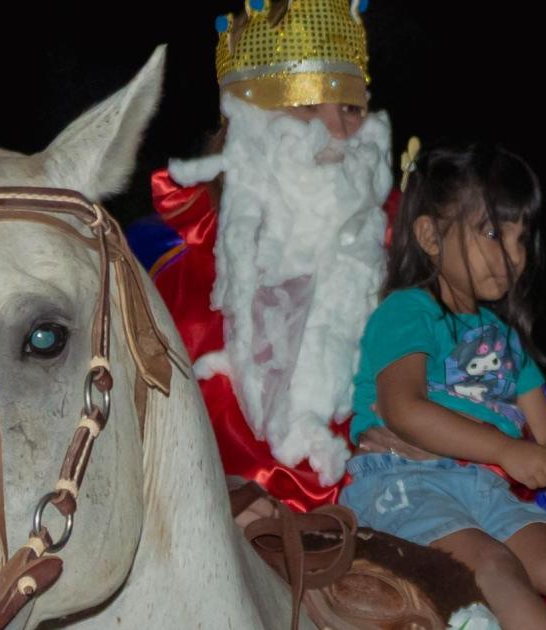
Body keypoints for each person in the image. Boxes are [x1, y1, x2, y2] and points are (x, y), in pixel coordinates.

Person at [338, 142, 546, 629]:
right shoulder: (408, 312)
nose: (513, 255)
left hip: (486, 489)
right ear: (431, 235)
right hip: (404, 482)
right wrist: (503, 448)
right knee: (493, 567)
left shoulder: (505, 340)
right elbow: (402, 409)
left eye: (521, 239)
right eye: (492, 232)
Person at [128, 0, 398, 509]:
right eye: (307, 107)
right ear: (247, 126)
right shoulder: (164, 263)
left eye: (351, 109)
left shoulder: (407, 253)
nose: (339, 133)